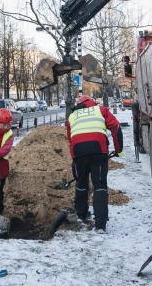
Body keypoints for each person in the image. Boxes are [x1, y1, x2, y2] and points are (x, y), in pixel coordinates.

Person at [66, 95, 123, 234]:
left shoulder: (72, 116)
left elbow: (70, 136)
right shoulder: (101, 110)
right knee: (100, 185)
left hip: (78, 151)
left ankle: (81, 214)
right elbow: (115, 127)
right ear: (91, 103)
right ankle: (100, 224)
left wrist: (75, 156)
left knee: (81, 182)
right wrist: (118, 150)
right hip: (98, 150)